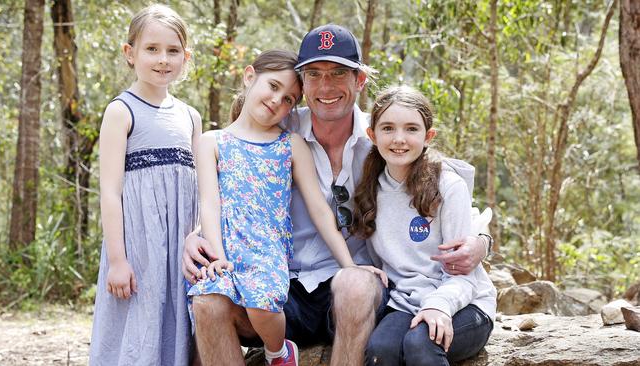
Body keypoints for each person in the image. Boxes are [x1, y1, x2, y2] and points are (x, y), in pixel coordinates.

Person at [182, 24, 490, 366]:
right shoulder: (280, 129)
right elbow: (234, 187)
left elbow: (441, 181)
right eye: (314, 74)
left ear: (359, 81)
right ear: (302, 83)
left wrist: (481, 240)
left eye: (338, 73)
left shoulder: (383, 136)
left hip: (351, 293)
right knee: (208, 303)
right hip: (279, 286)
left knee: (355, 283)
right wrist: (197, 236)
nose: (326, 86)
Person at [186, 49, 386, 366]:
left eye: (289, 99)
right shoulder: (213, 141)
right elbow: (210, 203)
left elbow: (321, 211)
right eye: (273, 87)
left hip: (271, 259)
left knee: (263, 301)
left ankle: (278, 353)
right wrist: (207, 245)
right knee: (206, 300)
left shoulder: (295, 143)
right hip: (234, 256)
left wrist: (350, 265)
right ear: (249, 76)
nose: (278, 101)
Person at [89, 4, 201, 366]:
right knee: (139, 320)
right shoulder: (122, 111)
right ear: (130, 53)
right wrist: (118, 260)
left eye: (172, 51)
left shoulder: (190, 116)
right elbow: (110, 191)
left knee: (177, 322)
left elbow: (200, 190)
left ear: (185, 57)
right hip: (138, 246)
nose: (162, 59)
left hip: (180, 245)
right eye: (152, 49)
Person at [354, 86, 496, 365]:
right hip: (405, 303)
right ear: (372, 135)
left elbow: (463, 274)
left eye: (411, 129)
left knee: (421, 343)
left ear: (428, 136)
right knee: (381, 350)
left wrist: (439, 306)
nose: (399, 139)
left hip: (465, 302)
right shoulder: (370, 187)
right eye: (387, 128)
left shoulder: (448, 186)